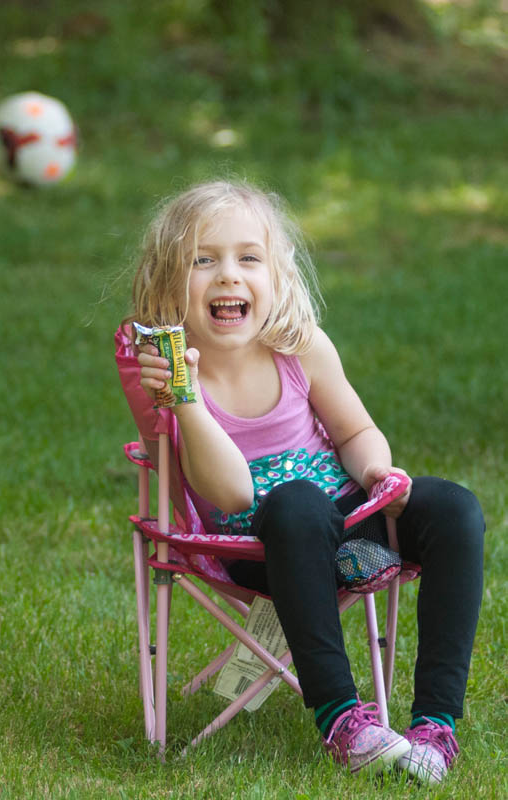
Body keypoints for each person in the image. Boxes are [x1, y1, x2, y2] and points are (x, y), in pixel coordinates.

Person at [123, 179, 484, 784]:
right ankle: (344, 721)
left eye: (248, 258)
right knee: (296, 504)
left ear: (277, 274)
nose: (228, 275)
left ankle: (435, 725)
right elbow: (231, 494)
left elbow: (355, 431)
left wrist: (375, 472)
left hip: (349, 525)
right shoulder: (167, 378)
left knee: (455, 507)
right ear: (167, 282)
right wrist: (184, 399)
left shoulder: (300, 347)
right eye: (203, 260)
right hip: (259, 548)